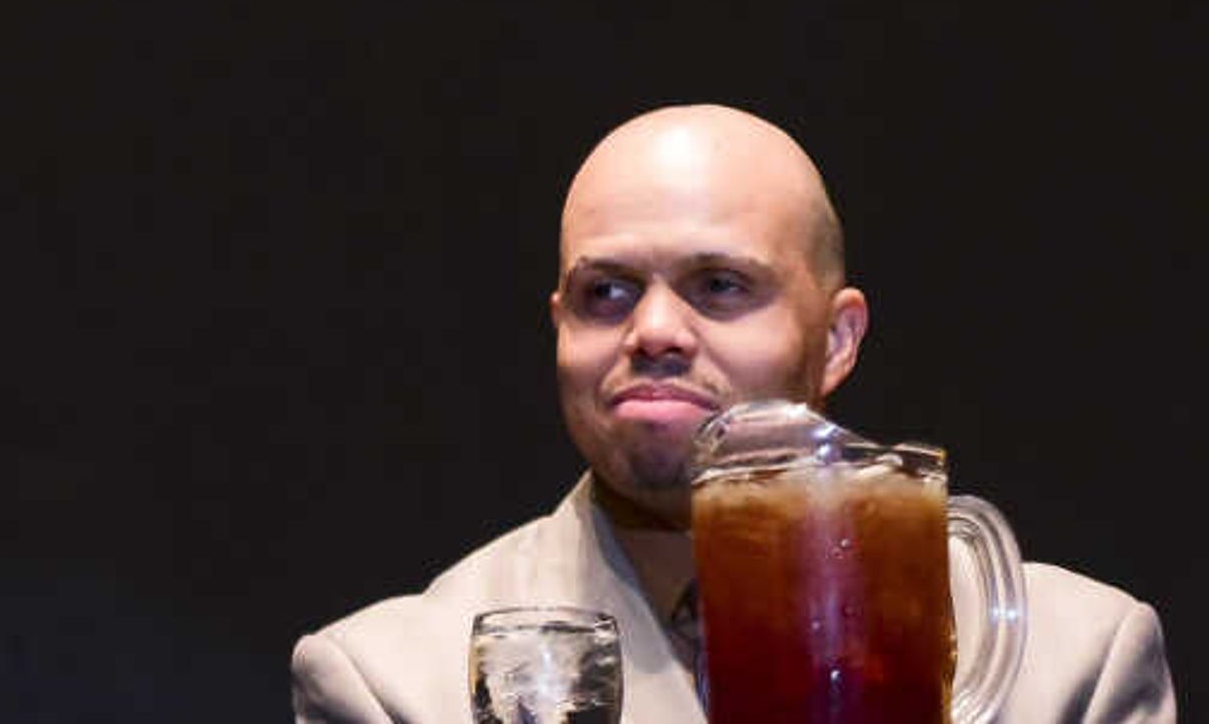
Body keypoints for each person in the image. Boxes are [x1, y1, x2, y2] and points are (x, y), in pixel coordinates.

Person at [290, 104, 1176, 723]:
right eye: (606, 292)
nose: (655, 331)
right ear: (558, 327)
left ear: (837, 338)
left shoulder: (1075, 664)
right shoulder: (395, 684)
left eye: (719, 286)